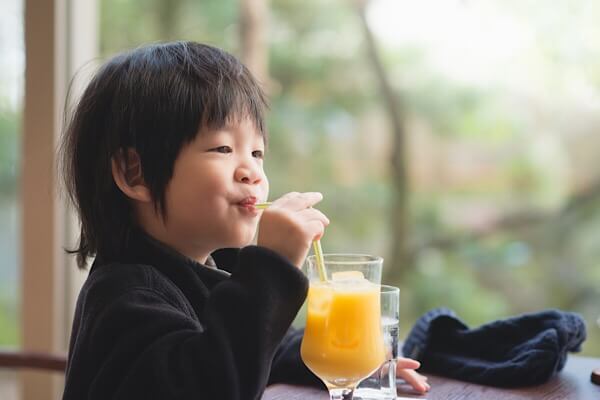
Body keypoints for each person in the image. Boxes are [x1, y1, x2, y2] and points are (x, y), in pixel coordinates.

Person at [59, 41, 430, 399]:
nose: (252, 172)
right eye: (223, 148)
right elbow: (215, 384)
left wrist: (344, 359)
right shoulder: (126, 298)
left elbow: (262, 349)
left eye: (257, 152)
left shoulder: (204, 273)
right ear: (134, 173)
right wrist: (273, 266)